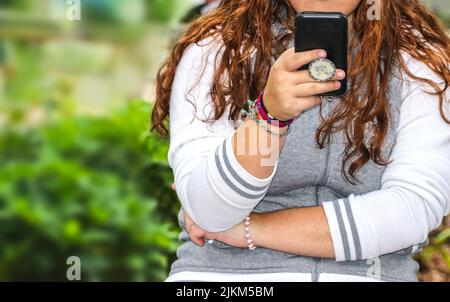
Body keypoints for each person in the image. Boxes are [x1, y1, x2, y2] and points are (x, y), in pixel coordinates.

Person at [151, 0, 450, 282]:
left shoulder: (418, 60)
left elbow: (412, 211)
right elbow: (210, 211)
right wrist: (269, 118)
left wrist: (251, 229)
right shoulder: (217, 50)